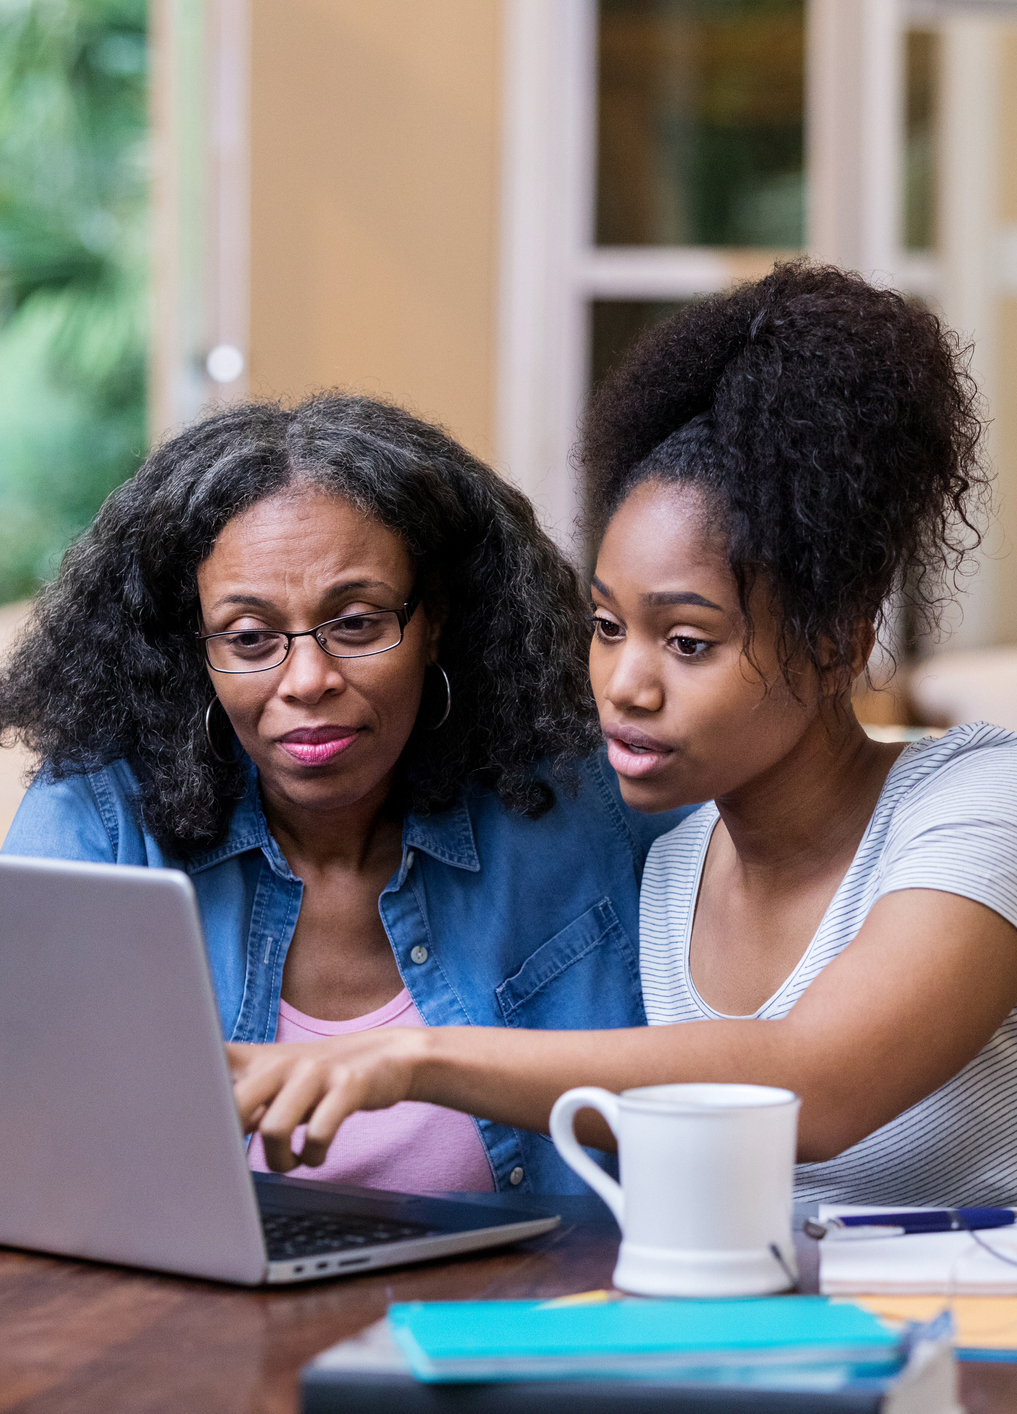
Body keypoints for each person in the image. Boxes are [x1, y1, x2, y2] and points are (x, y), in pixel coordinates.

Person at [229, 262, 1017, 1207]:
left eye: (687, 642)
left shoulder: (977, 804)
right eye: (607, 627)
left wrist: (411, 1056)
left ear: (837, 641)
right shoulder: (667, 866)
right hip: (752, 1346)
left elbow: (817, 1084)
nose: (624, 686)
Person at [0, 393, 689, 1195]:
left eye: (357, 623)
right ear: (193, 649)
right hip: (202, 1314)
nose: (307, 681)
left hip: (541, 1311)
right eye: (250, 637)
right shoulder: (100, 816)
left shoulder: (591, 799)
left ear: (436, 619)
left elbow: (749, 1073)